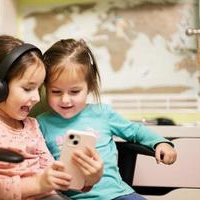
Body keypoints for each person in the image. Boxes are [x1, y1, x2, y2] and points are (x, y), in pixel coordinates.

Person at [37, 38, 177, 200]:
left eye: (74, 91)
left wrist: (160, 142)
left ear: (89, 86)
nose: (65, 100)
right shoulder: (41, 123)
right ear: (45, 88)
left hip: (117, 194)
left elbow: (135, 131)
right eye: (56, 92)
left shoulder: (103, 113)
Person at [0, 35, 76, 200]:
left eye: (38, 88)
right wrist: (39, 184)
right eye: (28, 88)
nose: (37, 98)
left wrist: (81, 176)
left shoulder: (32, 126)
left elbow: (49, 170)